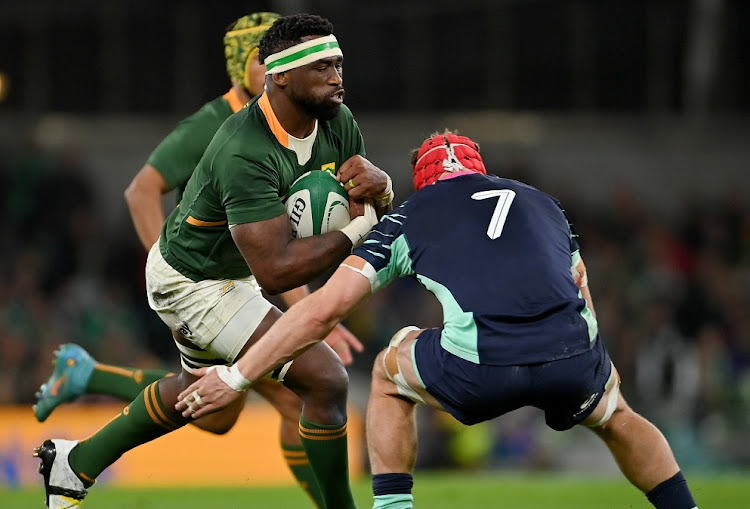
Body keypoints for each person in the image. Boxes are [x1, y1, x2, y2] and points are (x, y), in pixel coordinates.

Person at [175, 131, 700, 509]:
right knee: (617, 414)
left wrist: (235, 374)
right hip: (571, 357)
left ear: (420, 181)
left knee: (387, 369)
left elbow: (323, 310)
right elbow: (580, 287)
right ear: (479, 169)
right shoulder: (542, 203)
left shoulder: (412, 214)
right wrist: (596, 370)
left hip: (482, 369)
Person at [34, 13, 393, 509]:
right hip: (193, 282)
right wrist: (358, 231)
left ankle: (74, 466)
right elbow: (278, 269)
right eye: (321, 67)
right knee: (324, 379)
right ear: (281, 74)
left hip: (229, 271)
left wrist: (384, 190)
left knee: (206, 401)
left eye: (338, 65)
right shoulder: (241, 146)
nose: (337, 78)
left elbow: (362, 202)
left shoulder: (338, 121)